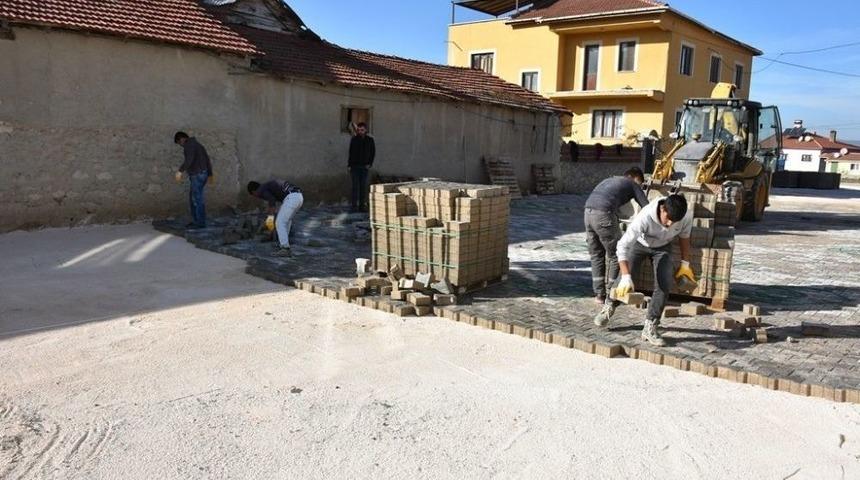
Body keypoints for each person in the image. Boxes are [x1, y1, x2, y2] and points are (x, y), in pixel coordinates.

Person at [593, 194, 696, 347]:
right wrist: (627, 276)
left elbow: (684, 238)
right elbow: (622, 246)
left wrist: (685, 264)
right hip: (640, 244)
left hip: (663, 247)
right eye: (667, 218)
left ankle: (651, 326)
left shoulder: (685, 216)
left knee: (664, 282)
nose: (669, 224)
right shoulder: (645, 216)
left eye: (674, 222)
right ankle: (609, 305)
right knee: (626, 276)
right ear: (662, 208)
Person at [584, 167, 649, 304]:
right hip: (603, 214)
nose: (640, 186)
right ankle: (611, 293)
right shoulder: (632, 184)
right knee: (617, 255)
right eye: (640, 183)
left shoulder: (611, 180)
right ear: (633, 177)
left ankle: (599, 295)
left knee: (596, 255)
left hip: (588, 213)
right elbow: (647, 208)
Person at [247, 180, 304, 257]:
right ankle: (283, 244)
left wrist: (269, 221)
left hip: (292, 198)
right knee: (286, 221)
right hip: (299, 197)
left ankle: (285, 248)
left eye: (254, 195)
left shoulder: (261, 189)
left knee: (280, 222)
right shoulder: (267, 186)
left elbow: (272, 200)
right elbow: (272, 203)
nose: (257, 197)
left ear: (254, 192)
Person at [174, 131, 213, 229]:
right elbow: (207, 159)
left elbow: (189, 160)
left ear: (182, 139)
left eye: (179, 143)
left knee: (196, 199)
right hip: (203, 174)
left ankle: (199, 223)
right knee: (195, 198)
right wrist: (210, 174)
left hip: (197, 174)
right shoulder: (198, 145)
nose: (181, 145)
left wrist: (180, 171)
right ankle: (198, 221)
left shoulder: (189, 145)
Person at [348, 122, 375, 213]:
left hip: (364, 167)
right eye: (359, 130)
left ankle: (362, 206)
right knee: (355, 187)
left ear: (366, 130)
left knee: (363, 187)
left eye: (362, 130)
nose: (360, 131)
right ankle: (354, 206)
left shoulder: (370, 140)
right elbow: (350, 153)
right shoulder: (354, 139)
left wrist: (370, 164)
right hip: (355, 166)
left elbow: (372, 153)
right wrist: (349, 165)